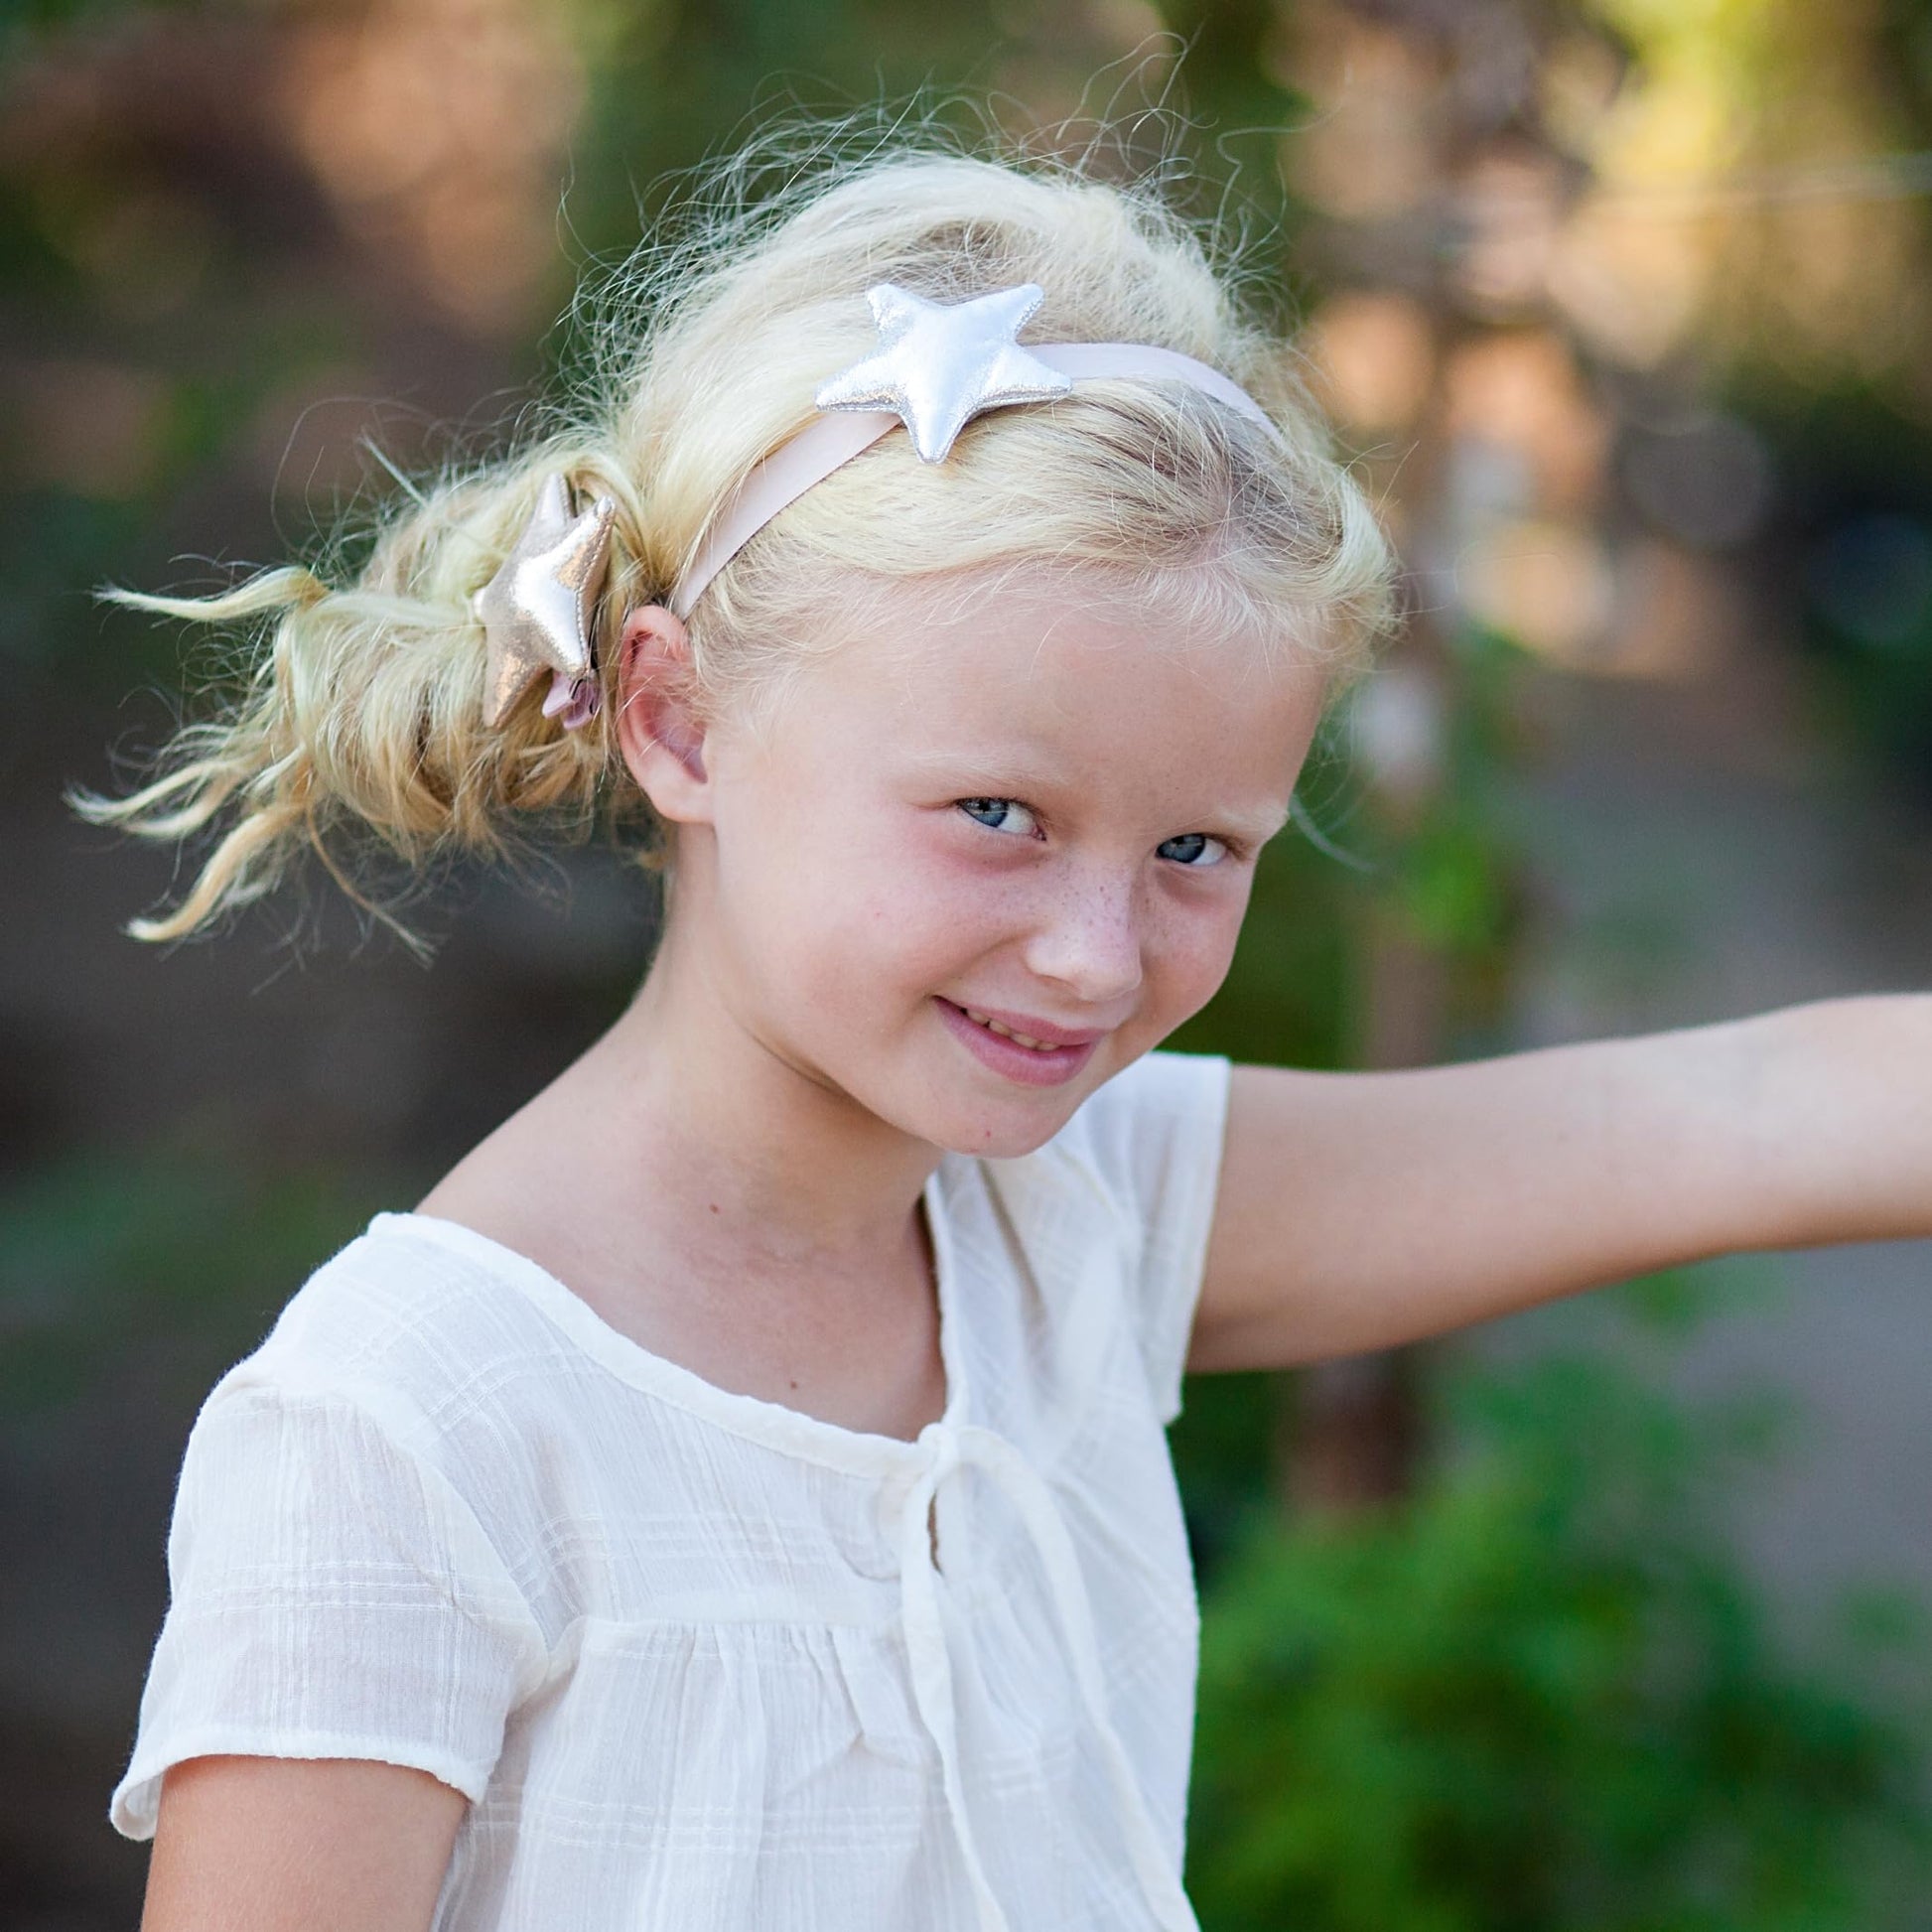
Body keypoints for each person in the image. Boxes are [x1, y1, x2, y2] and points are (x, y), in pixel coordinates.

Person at [75, 129, 1931, 1932]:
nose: (1090, 958)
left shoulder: (1078, 1219)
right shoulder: (410, 1428)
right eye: (996, 816)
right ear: (680, 720)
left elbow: (1757, 1111)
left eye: (1196, 846)